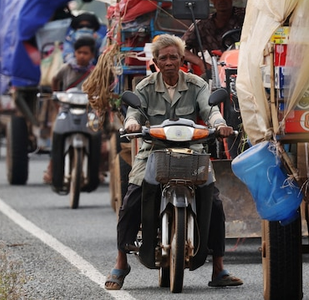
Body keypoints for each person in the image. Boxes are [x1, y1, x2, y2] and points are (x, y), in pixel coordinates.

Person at [104, 34, 243, 290]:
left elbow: (210, 109)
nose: (169, 62)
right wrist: (132, 123)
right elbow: (134, 112)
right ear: (155, 62)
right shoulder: (145, 87)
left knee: (213, 201)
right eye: (163, 58)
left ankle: (219, 268)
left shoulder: (197, 84)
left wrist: (219, 124)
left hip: (192, 150)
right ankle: (121, 262)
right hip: (153, 151)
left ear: (181, 60)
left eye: (174, 57)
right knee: (132, 199)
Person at [43, 36, 96, 183]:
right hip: (67, 109)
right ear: (74, 53)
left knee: (96, 135)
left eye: (85, 53)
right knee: (57, 134)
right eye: (79, 52)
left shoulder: (94, 71)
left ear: (92, 55)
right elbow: (55, 80)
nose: (82, 56)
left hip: (86, 110)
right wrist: (57, 98)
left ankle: (94, 170)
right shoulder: (67, 68)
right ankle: (52, 168)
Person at [181, 0, 246, 75]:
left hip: (244, 69)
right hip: (216, 74)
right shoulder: (202, 24)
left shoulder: (245, 16)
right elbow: (180, 47)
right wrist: (200, 63)